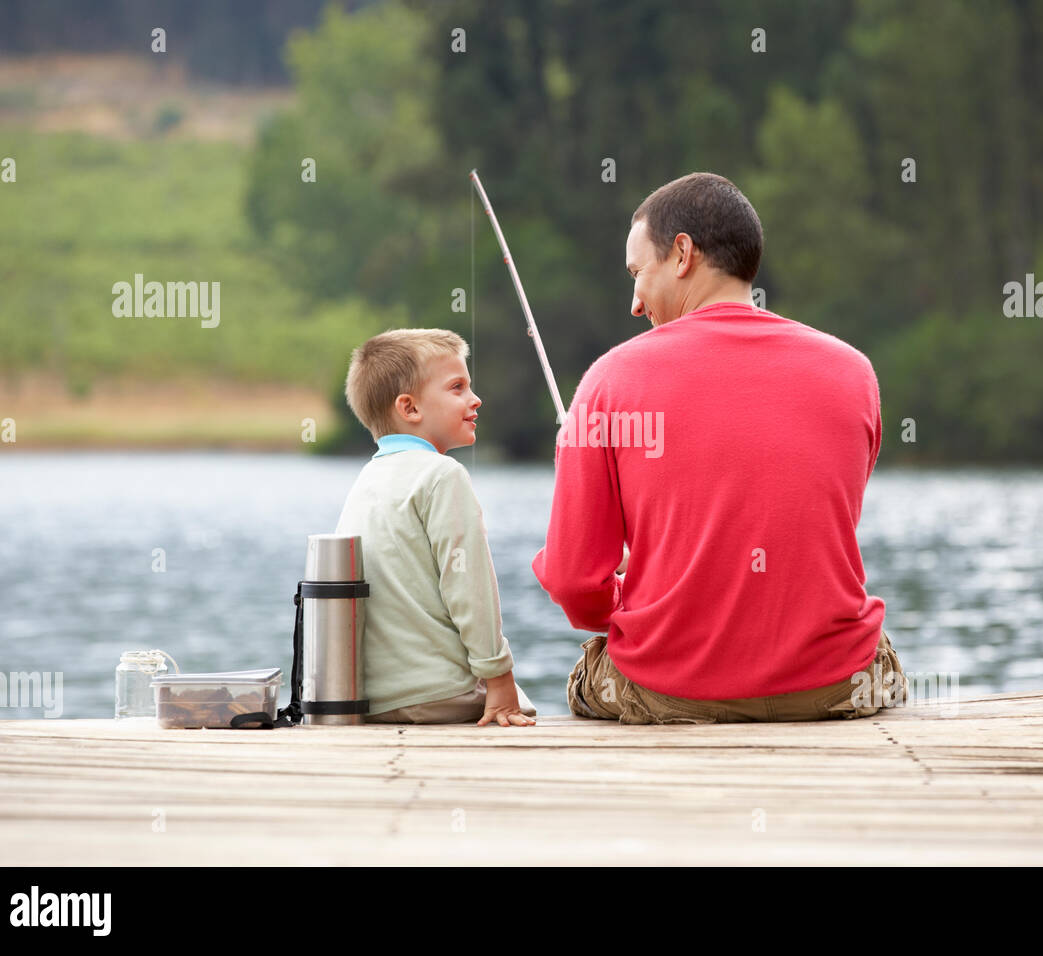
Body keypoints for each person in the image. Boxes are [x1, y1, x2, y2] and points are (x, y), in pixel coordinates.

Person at [532, 172, 907, 724]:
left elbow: (572, 582)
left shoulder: (609, 380)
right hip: (838, 686)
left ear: (682, 253)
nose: (635, 302)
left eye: (638, 273)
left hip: (672, 690)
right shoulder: (854, 371)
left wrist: (623, 598)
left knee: (587, 673)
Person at [336, 328, 537, 726]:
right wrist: (498, 676)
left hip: (373, 699)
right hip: (438, 693)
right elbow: (469, 586)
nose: (475, 399)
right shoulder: (443, 475)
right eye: (457, 387)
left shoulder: (366, 480)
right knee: (523, 705)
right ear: (409, 408)